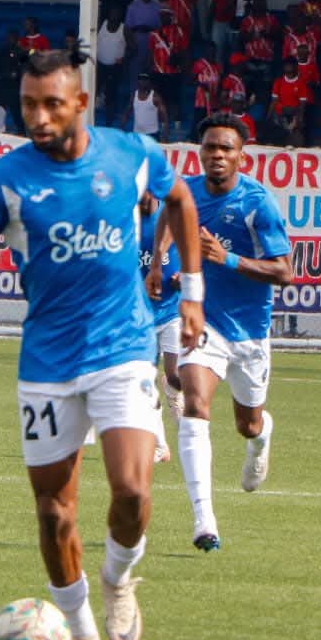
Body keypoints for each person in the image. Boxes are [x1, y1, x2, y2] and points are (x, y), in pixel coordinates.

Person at [0, 45, 204, 640]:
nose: (38, 116)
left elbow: (182, 202)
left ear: (80, 101)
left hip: (122, 346)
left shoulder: (130, 155)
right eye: (29, 104)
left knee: (133, 490)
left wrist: (192, 295)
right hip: (48, 360)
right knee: (55, 512)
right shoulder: (4, 178)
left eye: (52, 103)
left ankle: (118, 578)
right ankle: (79, 632)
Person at [159, 112, 291, 553]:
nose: (217, 155)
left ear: (240, 155)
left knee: (247, 424)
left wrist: (226, 259)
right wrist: (164, 265)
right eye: (210, 147)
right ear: (200, 152)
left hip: (250, 333)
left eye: (226, 148)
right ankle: (204, 521)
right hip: (205, 322)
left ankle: (262, 436)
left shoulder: (258, 203)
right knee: (192, 402)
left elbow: (284, 273)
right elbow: (167, 217)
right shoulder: (187, 192)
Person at [137, 190, 183, 464]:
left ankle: (176, 397)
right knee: (144, 383)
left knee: (175, 376)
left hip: (172, 311)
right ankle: (161, 446)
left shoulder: (170, 217)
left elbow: (193, 251)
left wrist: (181, 275)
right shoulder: (126, 219)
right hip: (141, 317)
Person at [96, 5, 129, 126]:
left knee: (111, 94)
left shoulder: (124, 28)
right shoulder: (101, 24)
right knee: (94, 90)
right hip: (99, 65)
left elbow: (134, 47)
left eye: (117, 13)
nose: (115, 15)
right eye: (113, 12)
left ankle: (109, 122)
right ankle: (90, 119)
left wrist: (124, 58)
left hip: (114, 67)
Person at [0, 29, 25, 133]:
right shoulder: (1, 52)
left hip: (15, 87)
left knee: (16, 111)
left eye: (13, 38)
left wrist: (17, 74)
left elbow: (25, 67)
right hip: (2, 86)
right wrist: (1, 76)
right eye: (9, 38)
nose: (11, 40)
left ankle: (21, 130)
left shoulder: (21, 52)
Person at [121, 72, 168, 142]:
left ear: (149, 82)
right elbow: (126, 113)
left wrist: (165, 135)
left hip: (152, 135)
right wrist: (121, 129)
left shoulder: (155, 97)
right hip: (137, 134)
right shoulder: (134, 95)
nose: (142, 82)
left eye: (145, 80)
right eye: (140, 79)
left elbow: (164, 117)